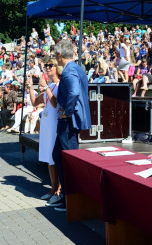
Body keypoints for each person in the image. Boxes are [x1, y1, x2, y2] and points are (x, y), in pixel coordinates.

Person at [51, 40, 91, 212]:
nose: (54, 58)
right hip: (68, 121)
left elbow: (74, 92)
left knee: (69, 160)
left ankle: (72, 201)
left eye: (54, 55)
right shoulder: (76, 68)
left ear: (60, 55)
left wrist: (67, 110)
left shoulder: (69, 71)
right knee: (58, 156)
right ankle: (66, 197)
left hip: (68, 121)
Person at [29, 59, 62, 205]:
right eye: (46, 66)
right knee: (50, 158)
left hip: (56, 124)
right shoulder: (50, 86)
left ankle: (59, 190)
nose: (47, 68)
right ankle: (52, 188)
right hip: (47, 125)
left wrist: (47, 87)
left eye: (50, 65)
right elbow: (35, 102)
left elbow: (55, 103)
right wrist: (30, 88)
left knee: (56, 157)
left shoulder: (60, 85)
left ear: (57, 67)